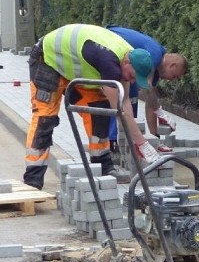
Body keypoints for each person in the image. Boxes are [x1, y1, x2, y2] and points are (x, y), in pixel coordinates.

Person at [23, 23, 163, 189]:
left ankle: (103, 167)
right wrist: (141, 143)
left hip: (72, 66)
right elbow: (121, 110)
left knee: (100, 111)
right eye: (132, 76)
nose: (132, 81)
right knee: (45, 119)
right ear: (126, 63)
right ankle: (33, 178)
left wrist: (139, 140)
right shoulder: (109, 61)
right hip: (47, 60)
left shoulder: (129, 54)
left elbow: (123, 101)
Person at [105, 25, 188, 153]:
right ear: (173, 65)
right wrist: (162, 114)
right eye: (175, 76)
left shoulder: (155, 72)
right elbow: (148, 90)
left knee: (131, 97)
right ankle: (111, 142)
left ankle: (128, 140)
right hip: (107, 43)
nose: (173, 80)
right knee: (119, 96)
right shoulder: (154, 54)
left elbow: (150, 105)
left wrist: (156, 140)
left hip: (119, 54)